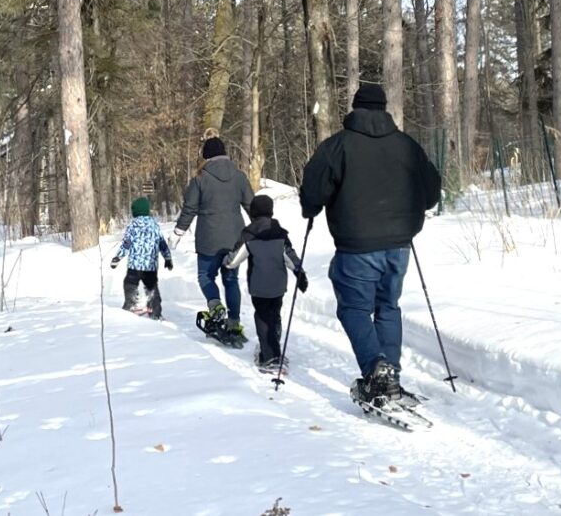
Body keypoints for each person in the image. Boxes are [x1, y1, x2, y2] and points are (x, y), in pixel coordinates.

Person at [299, 83, 441, 406]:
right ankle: (388, 373)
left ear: (355, 108)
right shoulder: (406, 146)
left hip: (357, 245)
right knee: (388, 307)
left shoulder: (338, 146)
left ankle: (376, 369)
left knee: (354, 308)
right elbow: (432, 192)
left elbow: (313, 187)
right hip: (400, 245)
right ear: (383, 108)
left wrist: (309, 208)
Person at [172, 130, 254, 343]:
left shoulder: (200, 178)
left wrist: (178, 232)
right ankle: (234, 323)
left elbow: (189, 208)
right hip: (236, 238)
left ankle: (215, 306)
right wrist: (263, 227)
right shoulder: (239, 176)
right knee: (231, 279)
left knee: (205, 276)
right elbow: (251, 206)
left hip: (209, 238)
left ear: (206, 157)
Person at [224, 194, 308, 372]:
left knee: (263, 318)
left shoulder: (249, 235)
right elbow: (290, 257)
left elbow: (233, 261)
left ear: (253, 213)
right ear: (271, 212)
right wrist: (300, 273)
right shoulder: (280, 233)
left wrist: (225, 259)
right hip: (278, 286)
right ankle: (275, 350)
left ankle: (269, 357)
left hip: (259, 286)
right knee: (274, 315)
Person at [111, 197, 172, 319]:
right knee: (152, 287)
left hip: (135, 265)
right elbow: (162, 243)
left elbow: (126, 244)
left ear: (135, 212)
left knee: (130, 283)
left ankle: (132, 304)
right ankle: (155, 311)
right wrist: (168, 258)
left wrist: (117, 257)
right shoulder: (154, 225)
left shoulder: (133, 225)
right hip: (150, 265)